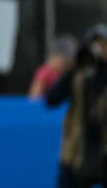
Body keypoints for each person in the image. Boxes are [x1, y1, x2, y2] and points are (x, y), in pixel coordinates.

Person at [46, 24, 107, 188]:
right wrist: (75, 67)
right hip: (75, 154)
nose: (100, 50)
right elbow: (51, 99)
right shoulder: (78, 74)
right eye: (96, 45)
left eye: (103, 45)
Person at [30, 35, 77, 99]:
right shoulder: (45, 72)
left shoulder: (66, 74)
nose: (68, 65)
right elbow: (34, 97)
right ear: (56, 56)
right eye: (66, 61)